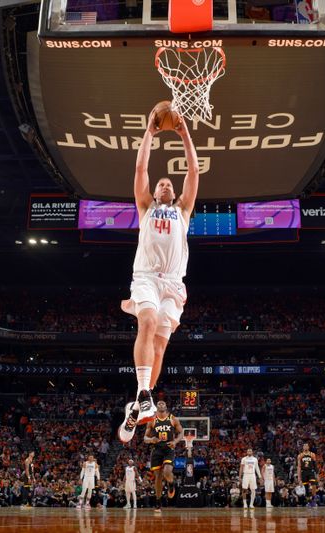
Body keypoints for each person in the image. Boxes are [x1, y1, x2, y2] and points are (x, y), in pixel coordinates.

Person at [118, 109, 200, 443]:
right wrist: (150, 133)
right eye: (161, 183)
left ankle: (141, 403)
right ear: (154, 193)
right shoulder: (145, 207)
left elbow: (193, 169)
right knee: (148, 323)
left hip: (174, 284)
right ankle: (141, 393)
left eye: (169, 183)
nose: (165, 184)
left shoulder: (183, 210)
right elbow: (141, 168)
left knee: (161, 346)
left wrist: (183, 133)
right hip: (147, 276)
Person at [144, 401, 184, 512]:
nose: (161, 404)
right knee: (158, 477)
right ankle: (158, 502)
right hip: (157, 450)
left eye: (163, 403)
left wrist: (175, 441)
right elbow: (145, 438)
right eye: (159, 403)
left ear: (166, 406)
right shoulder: (152, 420)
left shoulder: (173, 419)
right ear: (157, 407)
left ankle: (171, 484)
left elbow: (181, 433)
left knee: (167, 472)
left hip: (168, 448)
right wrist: (151, 439)